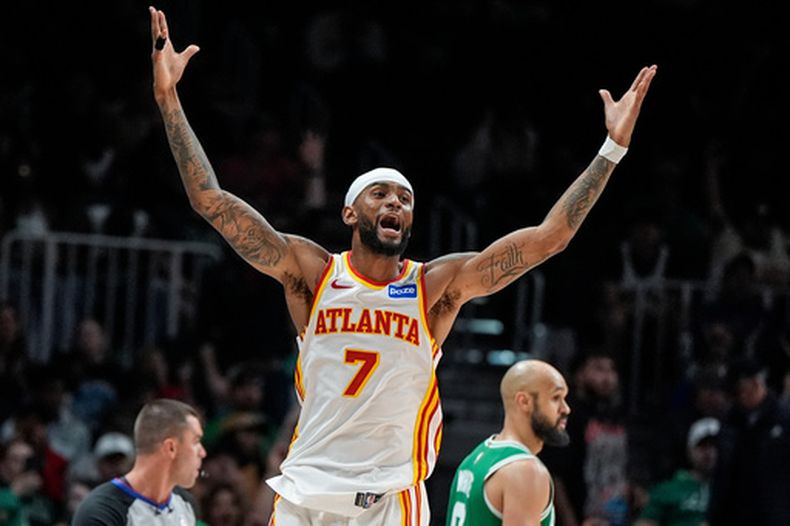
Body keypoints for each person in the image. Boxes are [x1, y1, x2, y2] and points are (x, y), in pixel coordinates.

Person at [148, 6, 657, 524]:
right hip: (307, 492)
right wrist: (169, 100)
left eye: (405, 198)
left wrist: (612, 149)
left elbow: (551, 238)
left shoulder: (436, 285)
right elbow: (211, 200)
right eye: (380, 194)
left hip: (388, 500)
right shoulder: (312, 271)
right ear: (350, 211)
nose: (395, 203)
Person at [445, 360, 570, 525]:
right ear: (524, 401)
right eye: (556, 398)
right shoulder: (526, 471)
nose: (566, 409)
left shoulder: (475, 458)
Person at [71, 398, 206, 525]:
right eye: (196, 442)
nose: (202, 453)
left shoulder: (186, 503)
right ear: (170, 448)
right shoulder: (101, 512)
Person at [634, 417, 719, 526]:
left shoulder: (734, 491)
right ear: (689, 450)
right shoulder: (668, 489)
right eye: (702, 445)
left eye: (715, 445)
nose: (709, 452)